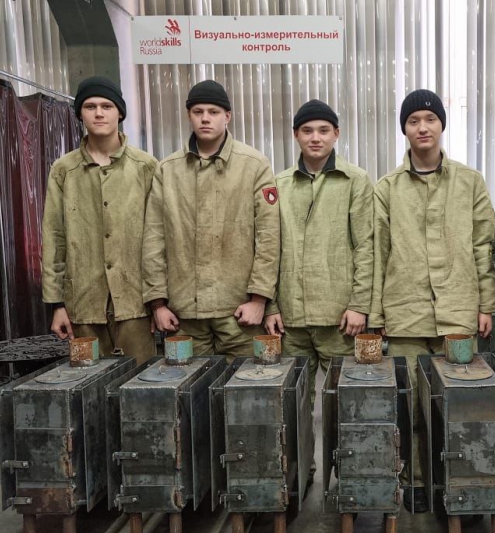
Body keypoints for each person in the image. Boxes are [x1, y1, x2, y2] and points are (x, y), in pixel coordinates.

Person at [370, 89, 495, 513]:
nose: (422, 127)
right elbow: (377, 253)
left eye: (430, 118)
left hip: (459, 311)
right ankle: (415, 482)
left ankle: (462, 481)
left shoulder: (469, 182)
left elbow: (483, 247)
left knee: (463, 406)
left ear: (442, 124)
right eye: (413, 120)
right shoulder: (387, 188)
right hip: (406, 313)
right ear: (405, 129)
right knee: (412, 407)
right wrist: (376, 315)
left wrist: (485, 305)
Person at [142, 80, 280, 360]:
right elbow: (154, 237)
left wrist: (259, 299)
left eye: (213, 112)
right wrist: (158, 303)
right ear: (189, 115)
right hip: (184, 314)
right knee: (188, 386)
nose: (205, 118)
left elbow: (269, 236)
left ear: (227, 116)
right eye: (198, 111)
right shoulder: (168, 170)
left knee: (248, 383)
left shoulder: (254, 165)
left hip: (239, 312)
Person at [264, 99, 374, 405]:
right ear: (295, 135)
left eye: (324, 130)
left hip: (339, 316)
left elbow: (366, 246)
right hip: (290, 317)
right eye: (307, 130)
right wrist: (270, 306)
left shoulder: (355, 180)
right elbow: (268, 249)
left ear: (336, 133)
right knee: (293, 402)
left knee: (347, 400)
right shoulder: (278, 184)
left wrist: (359, 305)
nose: (316, 137)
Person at [41, 76, 157, 363]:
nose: (99, 113)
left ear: (120, 113)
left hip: (136, 302)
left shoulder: (146, 167)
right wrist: (56, 304)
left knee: (141, 381)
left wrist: (159, 301)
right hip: (83, 303)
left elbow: (159, 236)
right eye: (90, 106)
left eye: (107, 106)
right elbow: (54, 236)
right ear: (80, 113)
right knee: (86, 381)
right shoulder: (64, 170)